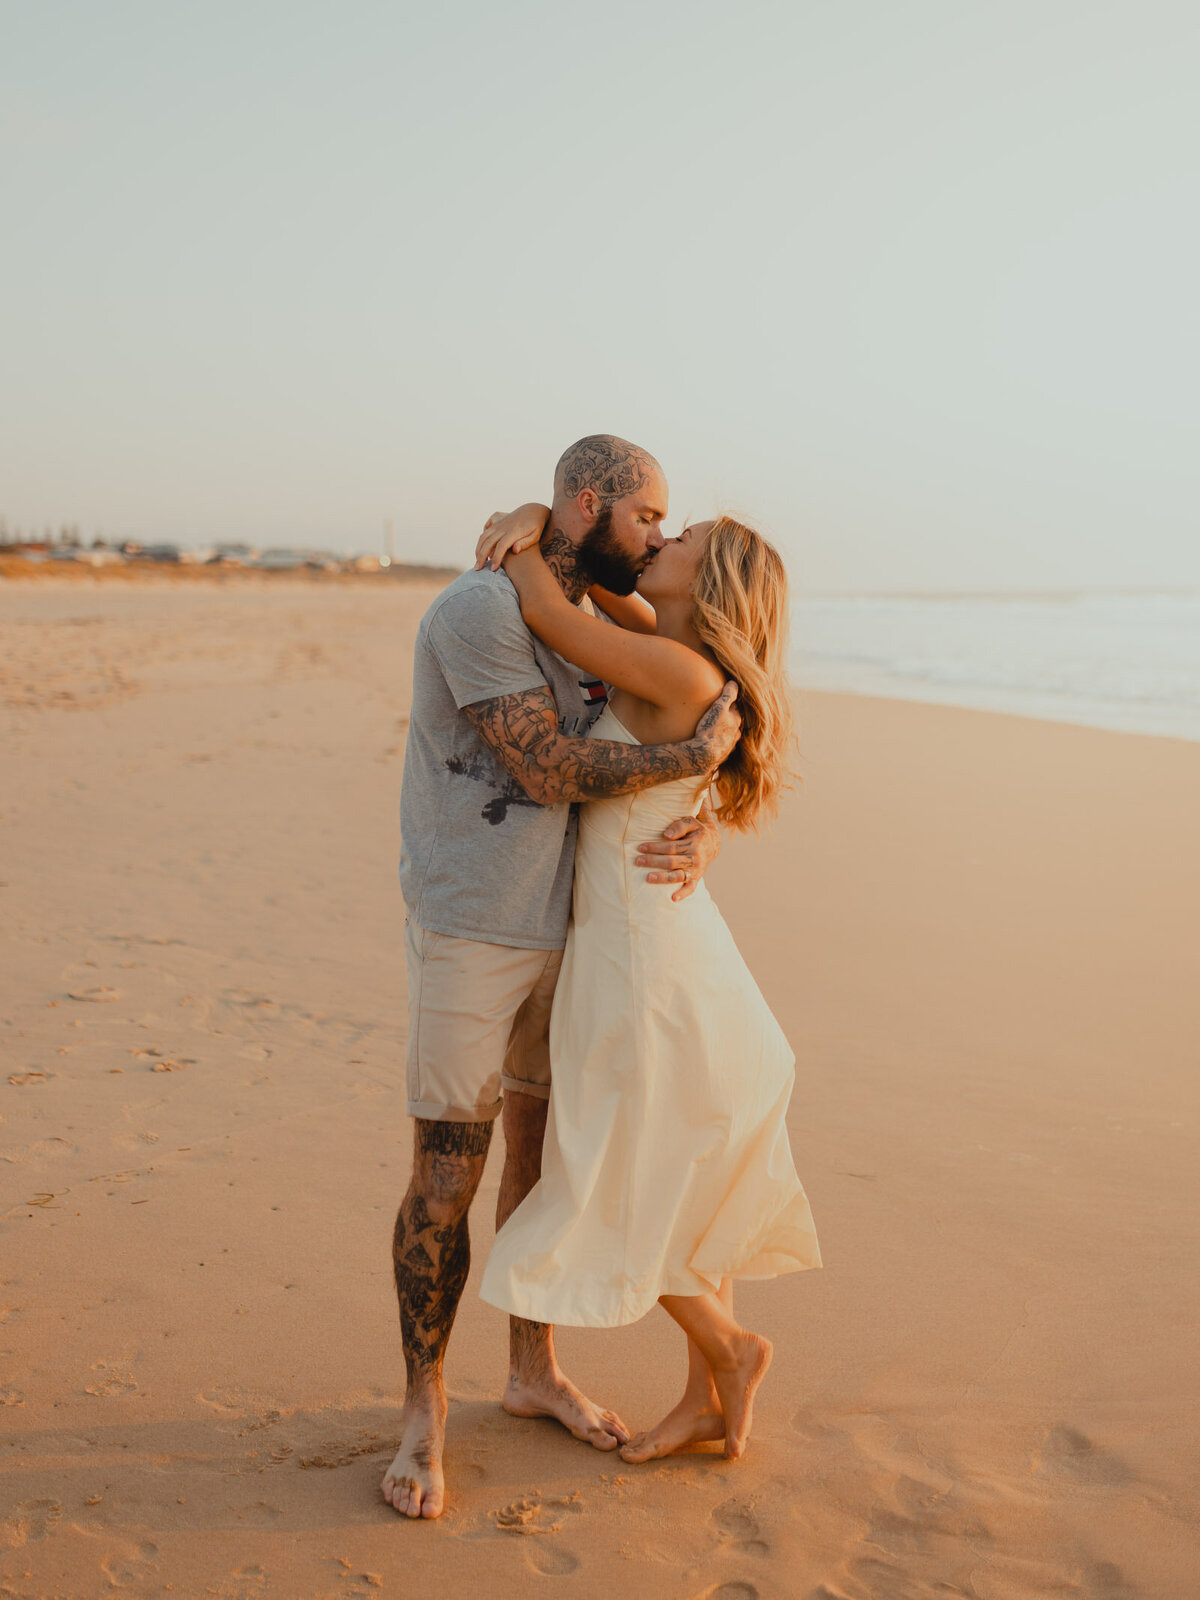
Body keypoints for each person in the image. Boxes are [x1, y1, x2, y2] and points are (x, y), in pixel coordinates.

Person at [383, 435, 743, 1519]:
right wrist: (692, 764)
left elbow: (660, 702)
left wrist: (703, 819)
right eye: (648, 518)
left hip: (576, 934)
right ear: (590, 503)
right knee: (446, 1179)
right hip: (473, 929)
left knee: (536, 1169)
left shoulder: (601, 617)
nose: (659, 536)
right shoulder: (480, 613)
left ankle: (531, 1371)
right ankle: (422, 1410)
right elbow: (548, 766)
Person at [477, 504, 821, 1464]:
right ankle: (707, 1399)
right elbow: (591, 603)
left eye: (684, 541)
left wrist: (538, 518)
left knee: (627, 1169)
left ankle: (729, 1346)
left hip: (638, 961)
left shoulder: (675, 668)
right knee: (677, 1166)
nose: (661, 542)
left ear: (709, 585)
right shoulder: (664, 646)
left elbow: (551, 611)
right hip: (652, 942)